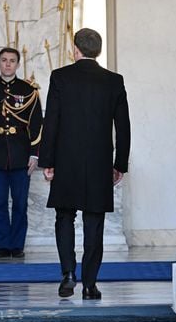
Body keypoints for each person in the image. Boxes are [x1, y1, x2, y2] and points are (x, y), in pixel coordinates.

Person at [38, 28, 130, 300]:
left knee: (64, 216)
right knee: (95, 222)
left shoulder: (60, 77)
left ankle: (68, 273)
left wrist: (48, 161)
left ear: (75, 49)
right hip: (100, 161)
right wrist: (120, 164)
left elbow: (51, 121)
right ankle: (90, 284)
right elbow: (123, 126)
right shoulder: (114, 80)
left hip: (67, 160)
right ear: (97, 51)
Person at [0, 47, 42, 259]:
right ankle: (3, 246)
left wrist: (34, 154)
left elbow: (36, 125)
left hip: (21, 155)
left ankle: (17, 246)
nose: (8, 64)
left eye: (12, 61)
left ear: (18, 64)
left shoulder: (29, 90)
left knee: (19, 203)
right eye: (4, 60)